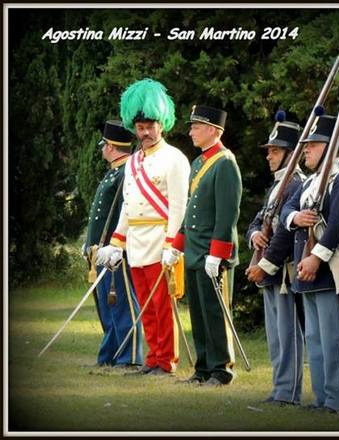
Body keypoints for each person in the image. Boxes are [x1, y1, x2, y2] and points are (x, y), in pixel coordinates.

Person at [97, 79, 191, 376]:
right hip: (136, 241)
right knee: (145, 307)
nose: (146, 132)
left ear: (162, 124)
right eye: (140, 127)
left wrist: (171, 246)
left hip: (161, 240)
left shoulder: (175, 158)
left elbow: (179, 206)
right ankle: (152, 357)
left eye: (150, 125)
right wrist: (116, 242)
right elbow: (128, 203)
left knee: (162, 306)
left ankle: (166, 361)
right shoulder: (134, 160)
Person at [280, 112, 339, 415]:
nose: (306, 150)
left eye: (313, 145)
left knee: (334, 339)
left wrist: (316, 258)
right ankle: (323, 397)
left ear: (328, 146)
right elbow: (288, 207)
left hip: (327, 271)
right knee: (314, 338)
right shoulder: (311, 181)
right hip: (307, 268)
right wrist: (296, 218)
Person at [170, 104, 242, 387]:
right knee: (198, 313)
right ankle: (202, 368)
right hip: (195, 252)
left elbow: (227, 214)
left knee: (215, 312)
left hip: (213, 254)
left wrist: (218, 254)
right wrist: (178, 244)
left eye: (196, 127)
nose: (191, 132)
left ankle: (221, 368)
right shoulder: (199, 162)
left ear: (213, 130)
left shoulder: (225, 163)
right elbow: (191, 211)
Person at [245, 111, 305, 405]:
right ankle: (280, 388)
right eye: (269, 150)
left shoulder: (295, 184)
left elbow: (286, 234)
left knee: (287, 336)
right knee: (276, 336)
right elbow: (258, 222)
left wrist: (266, 262)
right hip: (269, 270)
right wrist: (255, 236)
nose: (269, 156)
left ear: (291, 154)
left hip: (283, 272)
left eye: (276, 151)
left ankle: (288, 392)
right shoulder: (278, 184)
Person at [84, 120, 143, 369]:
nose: (102, 150)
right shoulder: (115, 172)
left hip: (115, 252)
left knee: (122, 306)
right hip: (101, 252)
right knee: (107, 310)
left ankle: (128, 357)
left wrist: (118, 246)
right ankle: (109, 354)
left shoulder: (125, 174)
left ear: (110, 146)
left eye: (104, 145)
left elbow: (125, 213)